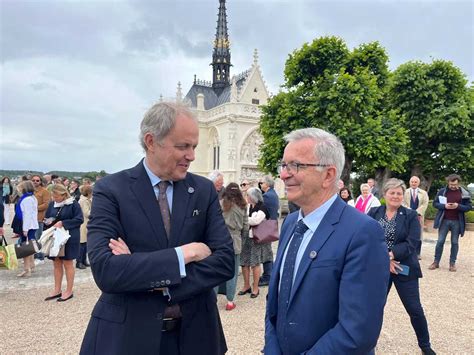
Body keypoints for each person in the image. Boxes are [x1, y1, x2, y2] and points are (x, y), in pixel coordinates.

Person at [80, 102, 234, 354]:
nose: (192, 155)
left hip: (197, 337)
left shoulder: (203, 190)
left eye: (194, 146)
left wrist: (145, 274)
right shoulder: (112, 190)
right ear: (151, 141)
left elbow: (225, 261)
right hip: (129, 337)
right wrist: (186, 254)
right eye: (183, 146)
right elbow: (106, 271)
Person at [264, 128, 389, 354]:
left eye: (296, 165)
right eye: (283, 165)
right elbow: (275, 302)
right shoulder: (291, 223)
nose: (284, 174)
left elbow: (358, 331)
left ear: (329, 175)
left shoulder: (363, 233)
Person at [368, 178, 436, 355]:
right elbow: (367, 238)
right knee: (374, 308)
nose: (396, 196)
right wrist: (385, 259)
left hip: (403, 267)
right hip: (379, 268)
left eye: (399, 193)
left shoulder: (410, 215)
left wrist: (391, 255)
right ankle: (368, 344)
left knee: (414, 308)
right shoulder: (374, 212)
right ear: (385, 194)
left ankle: (425, 346)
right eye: (392, 192)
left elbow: (412, 242)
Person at [43, 184, 83, 302]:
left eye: (56, 196)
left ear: (63, 194)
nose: (54, 198)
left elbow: (79, 219)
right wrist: (47, 221)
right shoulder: (52, 204)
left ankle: (69, 290)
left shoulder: (73, 204)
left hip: (69, 237)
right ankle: (57, 289)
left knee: (67, 263)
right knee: (56, 262)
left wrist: (63, 223)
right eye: (53, 196)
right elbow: (48, 217)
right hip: (55, 237)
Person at [429, 174, 472, 272]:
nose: (453, 186)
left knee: (454, 242)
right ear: (448, 182)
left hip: (457, 221)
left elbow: (469, 207)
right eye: (451, 184)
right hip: (444, 220)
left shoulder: (464, 193)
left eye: (455, 184)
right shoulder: (442, 191)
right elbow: (435, 204)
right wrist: (445, 206)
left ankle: (452, 263)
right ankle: (436, 262)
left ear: (459, 183)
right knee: (440, 241)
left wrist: (458, 206)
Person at [216, 182, 248, 311]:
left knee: (217, 270)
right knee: (233, 272)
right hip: (236, 240)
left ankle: (213, 299)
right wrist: (243, 241)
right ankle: (230, 301)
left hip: (221, 240)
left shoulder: (221, 203)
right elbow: (245, 226)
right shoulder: (243, 205)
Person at [239, 187, 270, 299]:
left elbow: (256, 221)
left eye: (247, 195)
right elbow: (250, 220)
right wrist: (247, 218)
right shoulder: (248, 206)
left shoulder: (262, 207)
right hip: (246, 237)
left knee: (255, 263)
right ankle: (246, 285)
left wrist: (244, 218)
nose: (246, 197)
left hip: (257, 239)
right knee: (244, 261)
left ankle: (255, 287)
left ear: (252, 197)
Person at [11, 181, 39, 277]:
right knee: (30, 246)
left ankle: (27, 269)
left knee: (25, 248)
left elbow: (27, 215)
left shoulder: (27, 199)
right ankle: (31, 265)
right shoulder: (32, 197)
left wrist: (25, 229)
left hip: (27, 225)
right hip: (31, 225)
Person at [258, 175, 279, 287]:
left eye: (262, 183)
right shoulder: (273, 194)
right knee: (268, 250)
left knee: (266, 252)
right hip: (271, 224)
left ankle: (268, 276)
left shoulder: (267, 196)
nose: (261, 184)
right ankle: (269, 273)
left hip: (267, 225)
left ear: (267, 184)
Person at [403, 176, 429, 258]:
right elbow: (402, 202)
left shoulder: (423, 193)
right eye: (412, 182)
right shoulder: (405, 192)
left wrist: (417, 212)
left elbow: (425, 204)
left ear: (418, 183)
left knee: (418, 234)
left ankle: (417, 253)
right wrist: (410, 211)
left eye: (415, 182)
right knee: (406, 233)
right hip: (407, 215)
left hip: (419, 216)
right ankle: (407, 251)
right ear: (409, 182)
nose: (413, 183)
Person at [32, 175, 51, 264]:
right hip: (31, 219)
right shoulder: (30, 191)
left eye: (37, 180)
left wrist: (33, 207)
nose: (35, 182)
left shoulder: (45, 191)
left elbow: (46, 204)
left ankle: (40, 258)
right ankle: (33, 256)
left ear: (41, 181)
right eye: (33, 180)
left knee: (38, 238)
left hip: (39, 218)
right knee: (32, 239)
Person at [77, 184, 92, 269]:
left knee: (85, 244)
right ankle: (79, 262)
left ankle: (83, 260)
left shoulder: (84, 200)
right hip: (83, 224)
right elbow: (87, 213)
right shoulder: (84, 201)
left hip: (85, 224)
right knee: (82, 244)